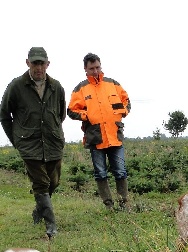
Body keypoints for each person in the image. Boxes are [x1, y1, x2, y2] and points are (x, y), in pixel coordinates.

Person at [0, 47, 66, 238]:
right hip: (29, 144)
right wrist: (16, 140)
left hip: (53, 142)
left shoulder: (57, 87)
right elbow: (4, 115)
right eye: (34, 63)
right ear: (27, 63)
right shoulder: (16, 86)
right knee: (41, 183)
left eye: (41, 63)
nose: (38, 67)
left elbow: (60, 114)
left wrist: (52, 131)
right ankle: (51, 225)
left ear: (48, 64)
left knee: (54, 181)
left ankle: (39, 209)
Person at [68, 53, 131, 210]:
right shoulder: (80, 88)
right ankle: (108, 205)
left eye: (97, 67)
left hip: (115, 135)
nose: (95, 71)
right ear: (85, 69)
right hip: (95, 137)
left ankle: (124, 203)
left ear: (100, 66)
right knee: (101, 173)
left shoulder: (112, 84)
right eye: (91, 68)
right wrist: (87, 115)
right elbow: (71, 110)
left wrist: (122, 111)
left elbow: (126, 100)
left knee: (120, 171)